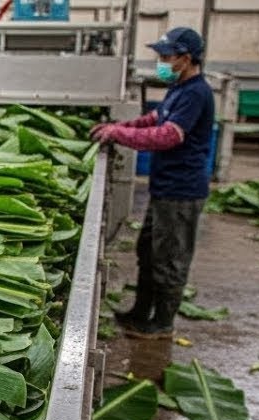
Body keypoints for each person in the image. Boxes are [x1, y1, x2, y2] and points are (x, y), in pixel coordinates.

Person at [91, 27, 215, 338]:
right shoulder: (179, 89)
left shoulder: (197, 92)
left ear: (185, 59)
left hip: (181, 191)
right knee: (148, 251)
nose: (161, 62)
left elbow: (167, 136)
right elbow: (154, 119)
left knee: (170, 259)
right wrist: (120, 125)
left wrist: (119, 135)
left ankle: (162, 322)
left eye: (165, 56)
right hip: (164, 187)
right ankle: (140, 312)